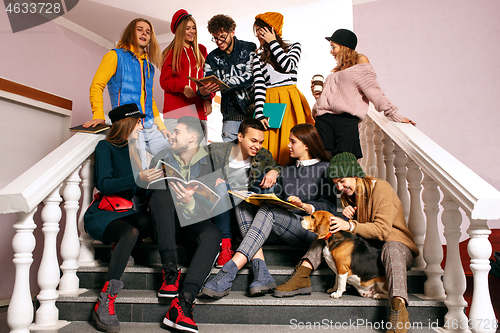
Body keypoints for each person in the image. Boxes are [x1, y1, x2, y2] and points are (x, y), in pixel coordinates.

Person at [275, 152, 419, 333]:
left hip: (396, 244)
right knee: (328, 231)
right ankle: (302, 274)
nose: (340, 187)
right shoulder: (350, 195)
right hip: (370, 251)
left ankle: (399, 310)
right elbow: (359, 234)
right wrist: (347, 219)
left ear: (355, 174)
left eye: (342, 181)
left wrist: (350, 224)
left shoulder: (381, 188)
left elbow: (382, 231)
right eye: (336, 183)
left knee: (391, 248)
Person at [202, 123, 336, 299]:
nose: (288, 145)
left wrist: (304, 206)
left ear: (306, 144)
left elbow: (331, 208)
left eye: (292, 141)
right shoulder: (286, 171)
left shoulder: (326, 168)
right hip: (279, 227)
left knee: (269, 211)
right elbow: (275, 200)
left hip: (308, 231)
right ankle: (261, 272)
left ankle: (229, 271)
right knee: (244, 204)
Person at [145, 116, 221, 333]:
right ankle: (170, 271)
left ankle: (183, 302)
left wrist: (191, 200)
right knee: (161, 196)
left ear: (192, 137)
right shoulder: (161, 156)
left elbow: (213, 204)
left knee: (212, 233)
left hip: (191, 222)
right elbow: (147, 192)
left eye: (177, 132)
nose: (172, 135)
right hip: (163, 224)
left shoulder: (212, 161)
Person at [84, 103, 156, 332]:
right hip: (102, 213)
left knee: (152, 222)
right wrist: (137, 178)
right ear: (127, 123)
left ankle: (121, 247)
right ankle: (106, 299)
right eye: (138, 121)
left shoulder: (135, 151)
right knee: (131, 232)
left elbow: (138, 192)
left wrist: (153, 181)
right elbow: (104, 184)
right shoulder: (105, 147)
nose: (141, 125)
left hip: (125, 212)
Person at [312, 29, 415, 160]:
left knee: (344, 166)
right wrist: (318, 98)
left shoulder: (360, 61)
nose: (331, 51)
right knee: (321, 164)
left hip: (345, 122)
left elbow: (373, 90)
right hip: (323, 121)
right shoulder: (337, 70)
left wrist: (394, 114)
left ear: (344, 46)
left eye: (333, 47)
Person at [85, 18, 170, 166]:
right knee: (141, 172)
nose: (144, 33)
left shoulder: (148, 66)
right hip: (129, 127)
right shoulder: (114, 56)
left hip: (149, 127)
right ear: (131, 32)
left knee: (178, 151)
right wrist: (98, 115)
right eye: (140, 29)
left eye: (148, 32)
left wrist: (161, 127)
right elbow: (97, 85)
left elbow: (150, 99)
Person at [207, 118, 282, 268]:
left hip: (248, 203)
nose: (257, 146)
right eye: (254, 140)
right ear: (240, 137)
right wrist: (211, 179)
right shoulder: (217, 151)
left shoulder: (263, 155)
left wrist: (274, 172)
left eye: (260, 142)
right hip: (223, 203)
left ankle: (257, 236)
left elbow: (277, 166)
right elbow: (197, 171)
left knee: (270, 185)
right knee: (221, 187)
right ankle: (225, 246)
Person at [252, 12, 314, 166]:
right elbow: (259, 85)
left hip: (290, 100)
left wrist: (273, 43)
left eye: (262, 30)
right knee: (269, 146)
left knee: (293, 142)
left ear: (273, 30)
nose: (258, 34)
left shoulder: (294, 47)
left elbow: (288, 66)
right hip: (270, 101)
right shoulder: (256, 56)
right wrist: (260, 114)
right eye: (257, 31)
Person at [160, 9, 216, 136]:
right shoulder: (170, 52)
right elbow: (164, 81)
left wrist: (208, 99)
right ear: (179, 30)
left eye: (194, 27)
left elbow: (209, 78)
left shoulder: (202, 50)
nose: (192, 31)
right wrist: (182, 87)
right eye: (187, 28)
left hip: (199, 112)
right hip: (175, 113)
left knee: (200, 155)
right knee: (176, 154)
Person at [203, 14, 257, 142]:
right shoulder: (212, 57)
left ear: (232, 32)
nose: (219, 42)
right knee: (231, 156)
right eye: (215, 38)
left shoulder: (249, 48)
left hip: (252, 110)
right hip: (230, 114)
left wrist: (223, 83)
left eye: (222, 37)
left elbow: (250, 77)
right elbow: (206, 82)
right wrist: (204, 93)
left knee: (254, 152)